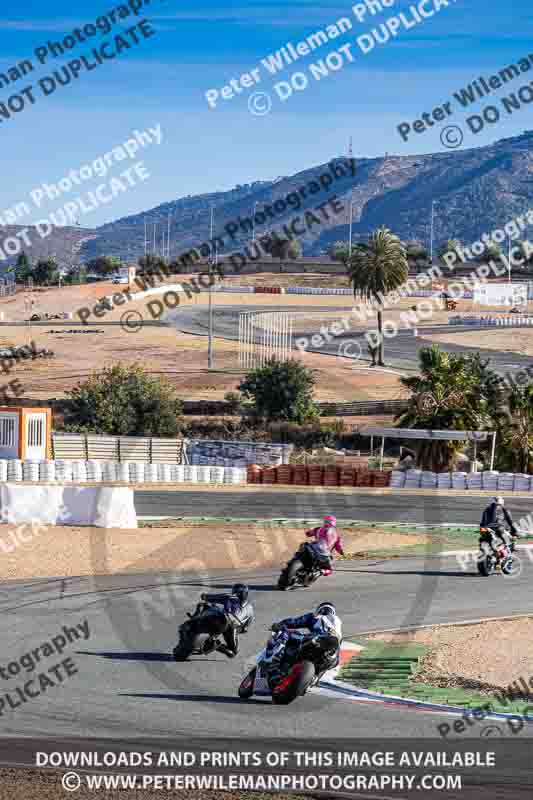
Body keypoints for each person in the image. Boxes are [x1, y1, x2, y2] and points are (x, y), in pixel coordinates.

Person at [262, 602, 343, 676]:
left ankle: (270, 661)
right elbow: (338, 655)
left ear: (320, 610)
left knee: (289, 635)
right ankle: (313, 678)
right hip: (332, 658)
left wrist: (279, 625)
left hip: (317, 641)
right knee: (328, 663)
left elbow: (294, 622)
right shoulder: (338, 622)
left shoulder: (315, 617)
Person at [198, 583, 254, 658]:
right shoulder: (229, 598)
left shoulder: (249, 607)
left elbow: (249, 620)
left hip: (232, 626)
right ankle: (211, 642)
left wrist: (206, 597)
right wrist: (206, 597)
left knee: (232, 653)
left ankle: (213, 644)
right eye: (237, 593)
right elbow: (218, 597)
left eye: (241, 593)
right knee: (232, 653)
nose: (239, 595)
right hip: (224, 621)